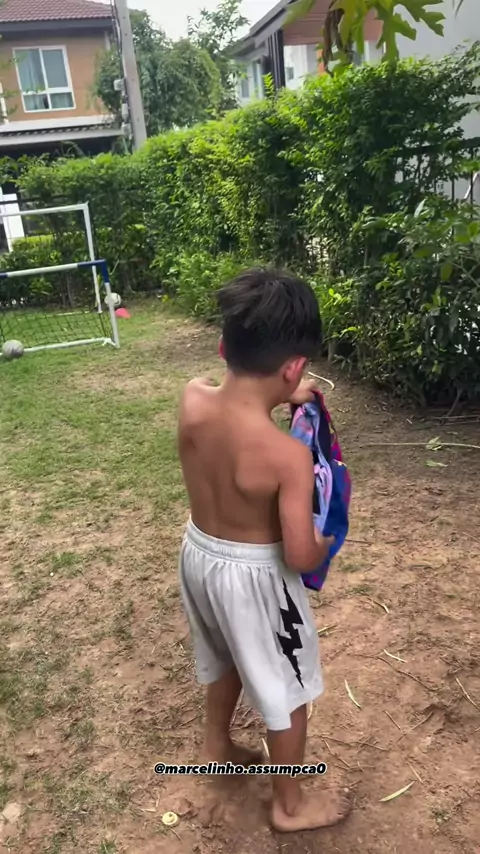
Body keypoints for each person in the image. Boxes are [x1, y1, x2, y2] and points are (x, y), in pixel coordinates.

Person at [177, 267, 350, 832]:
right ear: (294, 369)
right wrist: (324, 541)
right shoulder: (287, 457)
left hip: (200, 557)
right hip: (257, 581)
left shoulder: (192, 400)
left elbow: (236, 419)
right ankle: (290, 805)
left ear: (223, 346)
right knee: (289, 690)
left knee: (225, 655)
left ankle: (216, 745)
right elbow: (298, 555)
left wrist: (279, 391)